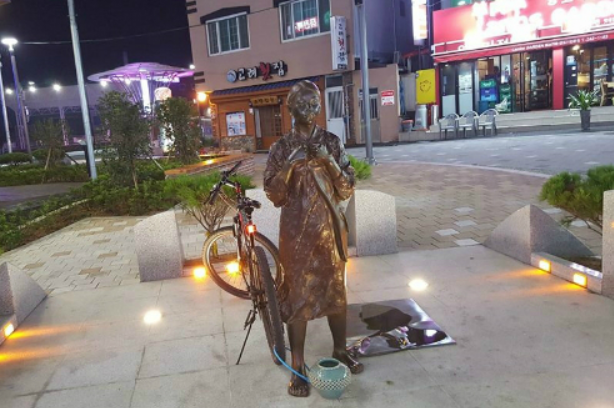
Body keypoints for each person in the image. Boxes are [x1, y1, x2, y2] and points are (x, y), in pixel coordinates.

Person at [264, 80, 364, 397]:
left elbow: (346, 188)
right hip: (296, 234)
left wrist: (327, 161)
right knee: (298, 296)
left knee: (336, 290)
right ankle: (298, 364)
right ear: (290, 108)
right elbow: (274, 195)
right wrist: (289, 167)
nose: (310, 110)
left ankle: (340, 349)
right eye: (303, 104)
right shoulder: (281, 148)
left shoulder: (331, 142)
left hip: (329, 230)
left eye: (314, 104)